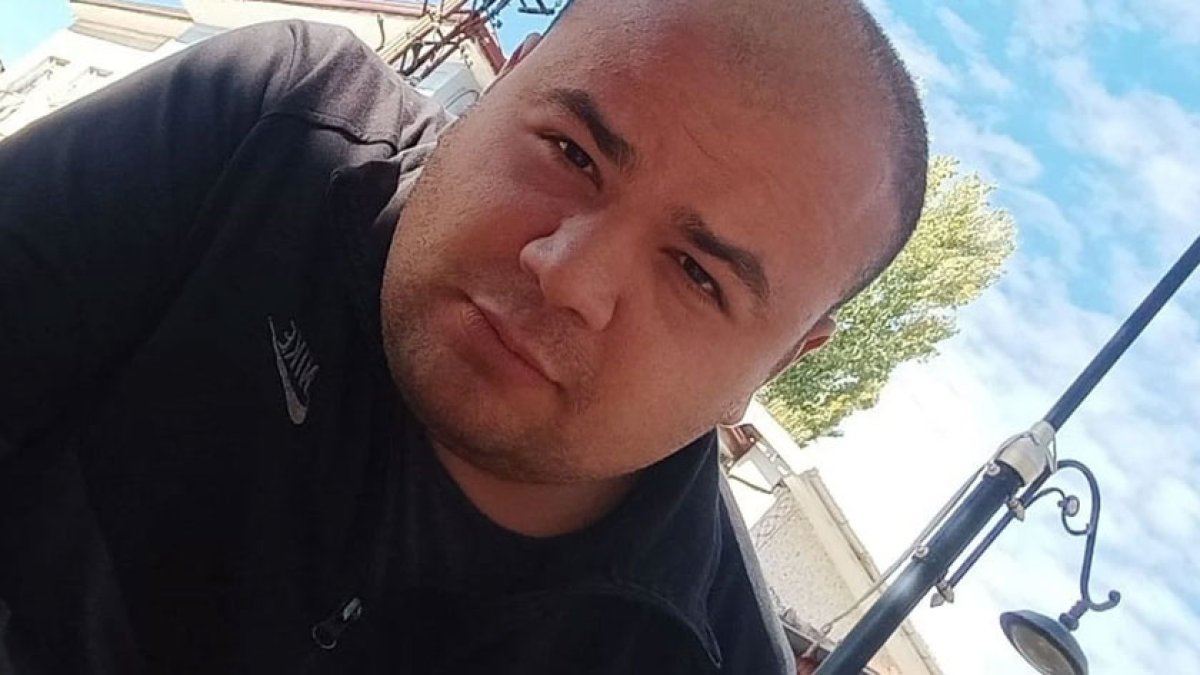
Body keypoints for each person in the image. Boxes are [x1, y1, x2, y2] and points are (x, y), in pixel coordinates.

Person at [0, 0, 926, 672]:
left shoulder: (696, 655)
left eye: (695, 273)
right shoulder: (275, 129)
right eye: (572, 152)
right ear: (507, 80)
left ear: (781, 360)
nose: (568, 275)